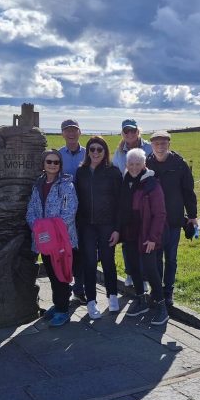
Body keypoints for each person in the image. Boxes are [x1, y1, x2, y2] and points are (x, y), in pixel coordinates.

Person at [26, 150, 79, 327]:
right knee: (51, 273)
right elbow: (31, 210)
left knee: (61, 275)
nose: (52, 165)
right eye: (49, 161)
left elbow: (69, 212)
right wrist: (37, 227)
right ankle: (58, 305)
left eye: (56, 162)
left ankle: (63, 310)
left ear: (60, 165)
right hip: (44, 240)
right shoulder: (38, 185)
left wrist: (48, 228)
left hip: (61, 240)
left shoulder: (66, 185)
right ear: (43, 164)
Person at [146, 131, 197, 309]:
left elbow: (188, 191)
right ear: (151, 145)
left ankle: (168, 291)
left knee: (171, 258)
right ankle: (156, 290)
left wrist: (192, 216)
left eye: (163, 143)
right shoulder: (147, 163)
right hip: (154, 221)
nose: (160, 146)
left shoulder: (180, 164)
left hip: (174, 218)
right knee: (156, 258)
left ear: (169, 144)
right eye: (156, 143)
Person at [75, 136, 122, 318]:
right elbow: (77, 200)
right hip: (87, 225)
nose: (95, 153)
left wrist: (117, 229)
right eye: (92, 149)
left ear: (105, 152)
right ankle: (91, 301)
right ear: (87, 151)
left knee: (108, 260)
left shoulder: (113, 172)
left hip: (107, 224)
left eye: (99, 150)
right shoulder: (81, 172)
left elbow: (120, 203)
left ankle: (112, 296)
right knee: (89, 262)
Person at [121, 148, 168, 326]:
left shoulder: (152, 184)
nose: (134, 167)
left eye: (138, 164)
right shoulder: (126, 181)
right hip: (130, 234)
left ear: (144, 164)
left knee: (150, 270)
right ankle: (141, 300)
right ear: (126, 165)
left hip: (147, 235)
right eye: (131, 164)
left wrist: (153, 238)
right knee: (133, 268)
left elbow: (160, 213)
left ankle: (161, 306)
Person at [111, 119, 153, 287]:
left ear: (138, 131)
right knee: (128, 239)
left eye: (132, 131)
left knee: (143, 236)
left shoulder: (148, 148)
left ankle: (143, 278)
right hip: (126, 198)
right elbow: (115, 173)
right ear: (123, 133)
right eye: (126, 131)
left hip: (145, 198)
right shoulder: (119, 151)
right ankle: (130, 273)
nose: (129, 134)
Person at [57, 119, 87, 301]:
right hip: (65, 209)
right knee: (65, 248)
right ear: (62, 133)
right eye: (67, 130)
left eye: (74, 130)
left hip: (85, 208)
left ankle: (79, 287)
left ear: (79, 132)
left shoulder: (89, 153)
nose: (71, 133)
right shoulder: (59, 155)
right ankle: (65, 287)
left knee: (81, 249)